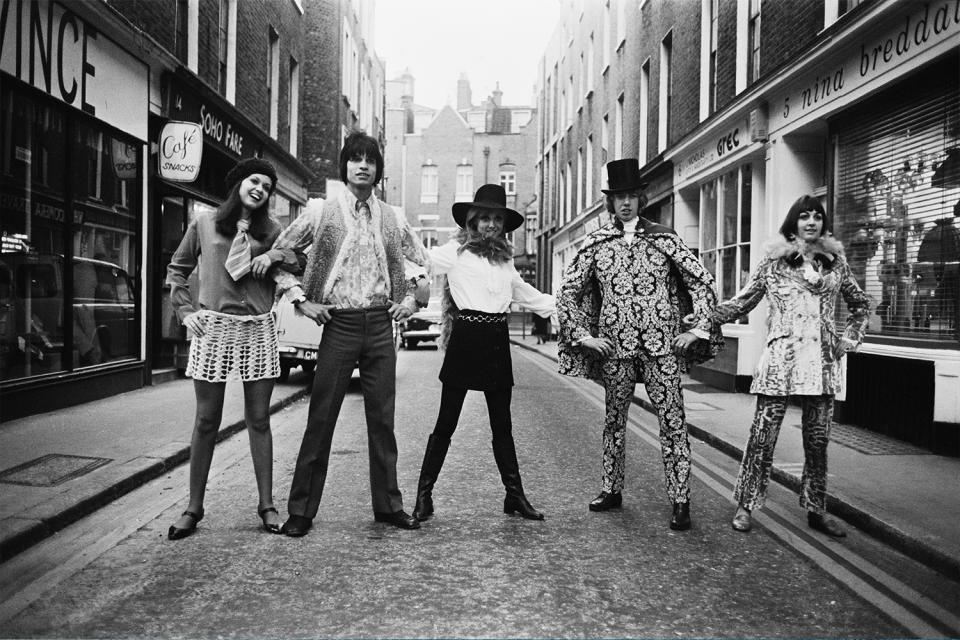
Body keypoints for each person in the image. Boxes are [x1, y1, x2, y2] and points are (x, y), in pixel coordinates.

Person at [270, 131, 429, 536]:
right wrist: (301, 300)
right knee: (321, 417)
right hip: (338, 324)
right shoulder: (321, 211)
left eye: (370, 160)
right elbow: (279, 256)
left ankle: (389, 505)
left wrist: (410, 301)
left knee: (382, 420)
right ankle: (301, 511)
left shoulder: (392, 217)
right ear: (344, 166)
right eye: (355, 159)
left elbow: (422, 265)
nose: (363, 165)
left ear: (377, 170)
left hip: (379, 324)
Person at [556, 158, 723, 531]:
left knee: (673, 422)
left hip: (662, 347)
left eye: (631, 195)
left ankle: (680, 499)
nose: (626, 203)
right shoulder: (597, 242)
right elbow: (568, 291)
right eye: (619, 197)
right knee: (614, 420)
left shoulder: (665, 238)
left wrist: (695, 329)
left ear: (641, 198)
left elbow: (702, 282)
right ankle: (611, 489)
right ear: (610, 202)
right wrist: (585, 336)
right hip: (615, 348)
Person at [715, 195, 871, 537]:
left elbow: (861, 305)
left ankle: (817, 509)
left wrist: (851, 337)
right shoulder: (774, 264)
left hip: (822, 365)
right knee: (762, 438)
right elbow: (743, 301)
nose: (811, 222)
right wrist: (703, 318)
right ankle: (746, 505)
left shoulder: (836, 265)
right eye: (804, 217)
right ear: (793, 223)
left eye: (817, 216)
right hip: (780, 362)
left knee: (817, 442)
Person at [166, 157, 295, 540]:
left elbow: (297, 262)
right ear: (239, 182)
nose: (260, 189)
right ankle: (193, 508)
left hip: (257, 329)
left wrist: (275, 254)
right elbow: (178, 268)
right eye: (254, 181)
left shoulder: (273, 232)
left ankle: (267, 506)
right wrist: (186, 312)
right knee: (207, 420)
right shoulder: (205, 223)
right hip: (215, 328)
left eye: (267, 187)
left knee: (259, 419)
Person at [412, 184, 554, 523]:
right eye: (484, 218)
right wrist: (413, 284)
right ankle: (423, 495)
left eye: (497, 219)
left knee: (502, 424)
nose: (491, 224)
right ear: (472, 222)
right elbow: (422, 259)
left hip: (495, 339)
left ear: (503, 224)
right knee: (446, 421)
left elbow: (526, 294)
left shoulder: (505, 262)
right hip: (466, 337)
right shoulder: (456, 251)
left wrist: (564, 306)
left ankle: (514, 496)